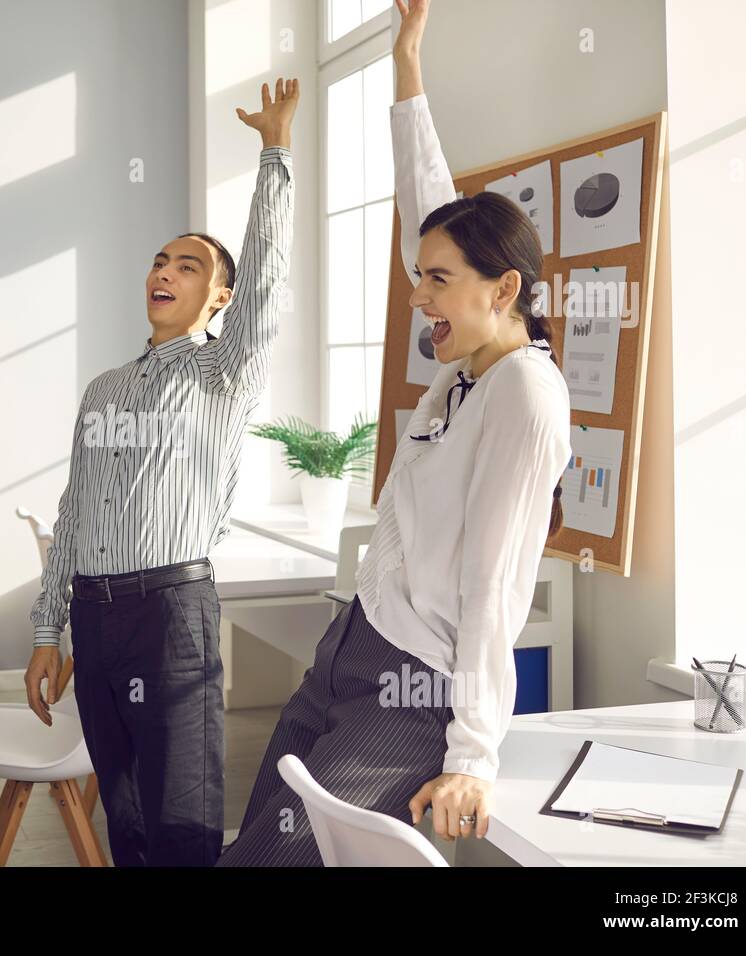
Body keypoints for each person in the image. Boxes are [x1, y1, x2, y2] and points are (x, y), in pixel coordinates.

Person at [218, 0, 572, 866]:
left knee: (278, 861)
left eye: (438, 282)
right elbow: (430, 201)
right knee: (253, 844)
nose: (420, 297)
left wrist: (473, 759)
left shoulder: (524, 395)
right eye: (420, 277)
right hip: (348, 647)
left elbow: (494, 587)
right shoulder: (467, 369)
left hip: (411, 692)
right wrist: (407, 60)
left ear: (503, 289)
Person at [23, 78, 299, 867]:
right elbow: (73, 512)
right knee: (130, 817)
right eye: (159, 261)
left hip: (172, 612)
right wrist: (47, 632)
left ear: (219, 297)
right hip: (95, 617)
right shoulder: (103, 388)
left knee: (182, 820)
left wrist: (273, 149)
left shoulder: (223, 374)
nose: (165, 271)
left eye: (188, 265)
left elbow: (270, 281)